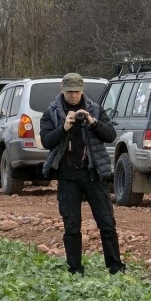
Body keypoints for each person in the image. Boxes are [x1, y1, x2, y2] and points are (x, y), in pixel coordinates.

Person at [41, 73, 124, 276]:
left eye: (77, 91)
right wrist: (64, 128)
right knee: (71, 226)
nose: (73, 95)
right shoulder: (51, 112)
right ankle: (75, 270)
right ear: (62, 89)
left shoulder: (95, 109)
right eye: (70, 91)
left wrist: (92, 122)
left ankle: (115, 268)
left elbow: (110, 135)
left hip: (93, 174)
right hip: (67, 176)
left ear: (82, 90)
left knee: (107, 223)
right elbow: (46, 141)